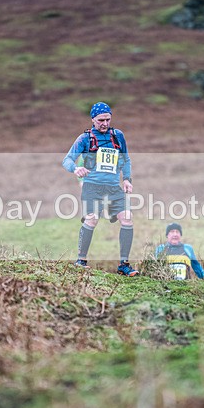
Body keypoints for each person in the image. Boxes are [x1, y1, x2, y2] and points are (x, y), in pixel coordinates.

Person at [62, 101, 139, 276]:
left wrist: (127, 180)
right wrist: (75, 169)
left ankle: (124, 265)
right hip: (92, 187)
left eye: (107, 119)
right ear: (93, 119)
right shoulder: (84, 139)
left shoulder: (118, 136)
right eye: (100, 120)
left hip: (113, 187)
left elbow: (126, 160)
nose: (105, 123)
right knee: (92, 219)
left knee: (127, 218)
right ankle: (81, 261)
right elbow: (67, 160)